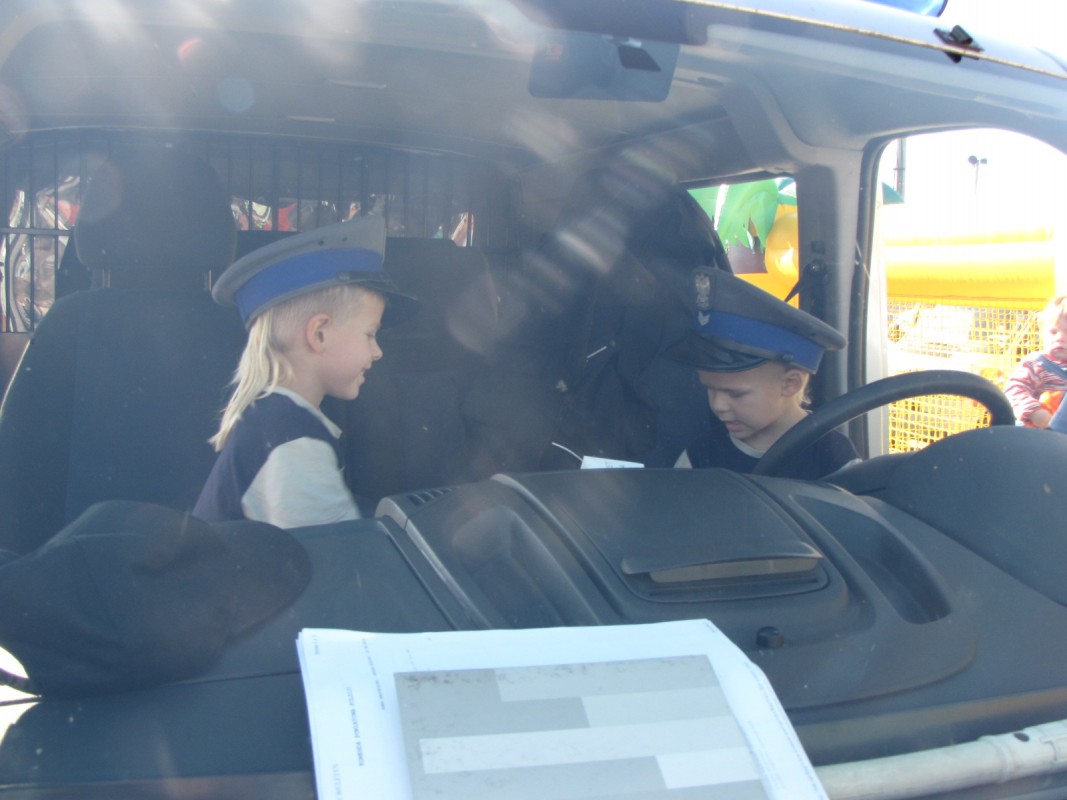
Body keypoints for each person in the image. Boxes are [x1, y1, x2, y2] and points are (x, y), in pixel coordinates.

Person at [194, 217, 418, 528]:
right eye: (370, 334)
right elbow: (337, 552)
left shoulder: (277, 421)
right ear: (319, 334)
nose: (377, 351)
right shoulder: (293, 443)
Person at [665, 268, 858, 479]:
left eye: (735, 394)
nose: (718, 405)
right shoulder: (699, 458)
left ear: (790, 384)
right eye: (710, 389)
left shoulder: (832, 458)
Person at [1004, 295, 1067, 429]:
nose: (1060, 338)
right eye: (1053, 332)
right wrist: (1034, 412)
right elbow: (1014, 389)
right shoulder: (1037, 364)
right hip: (1040, 432)